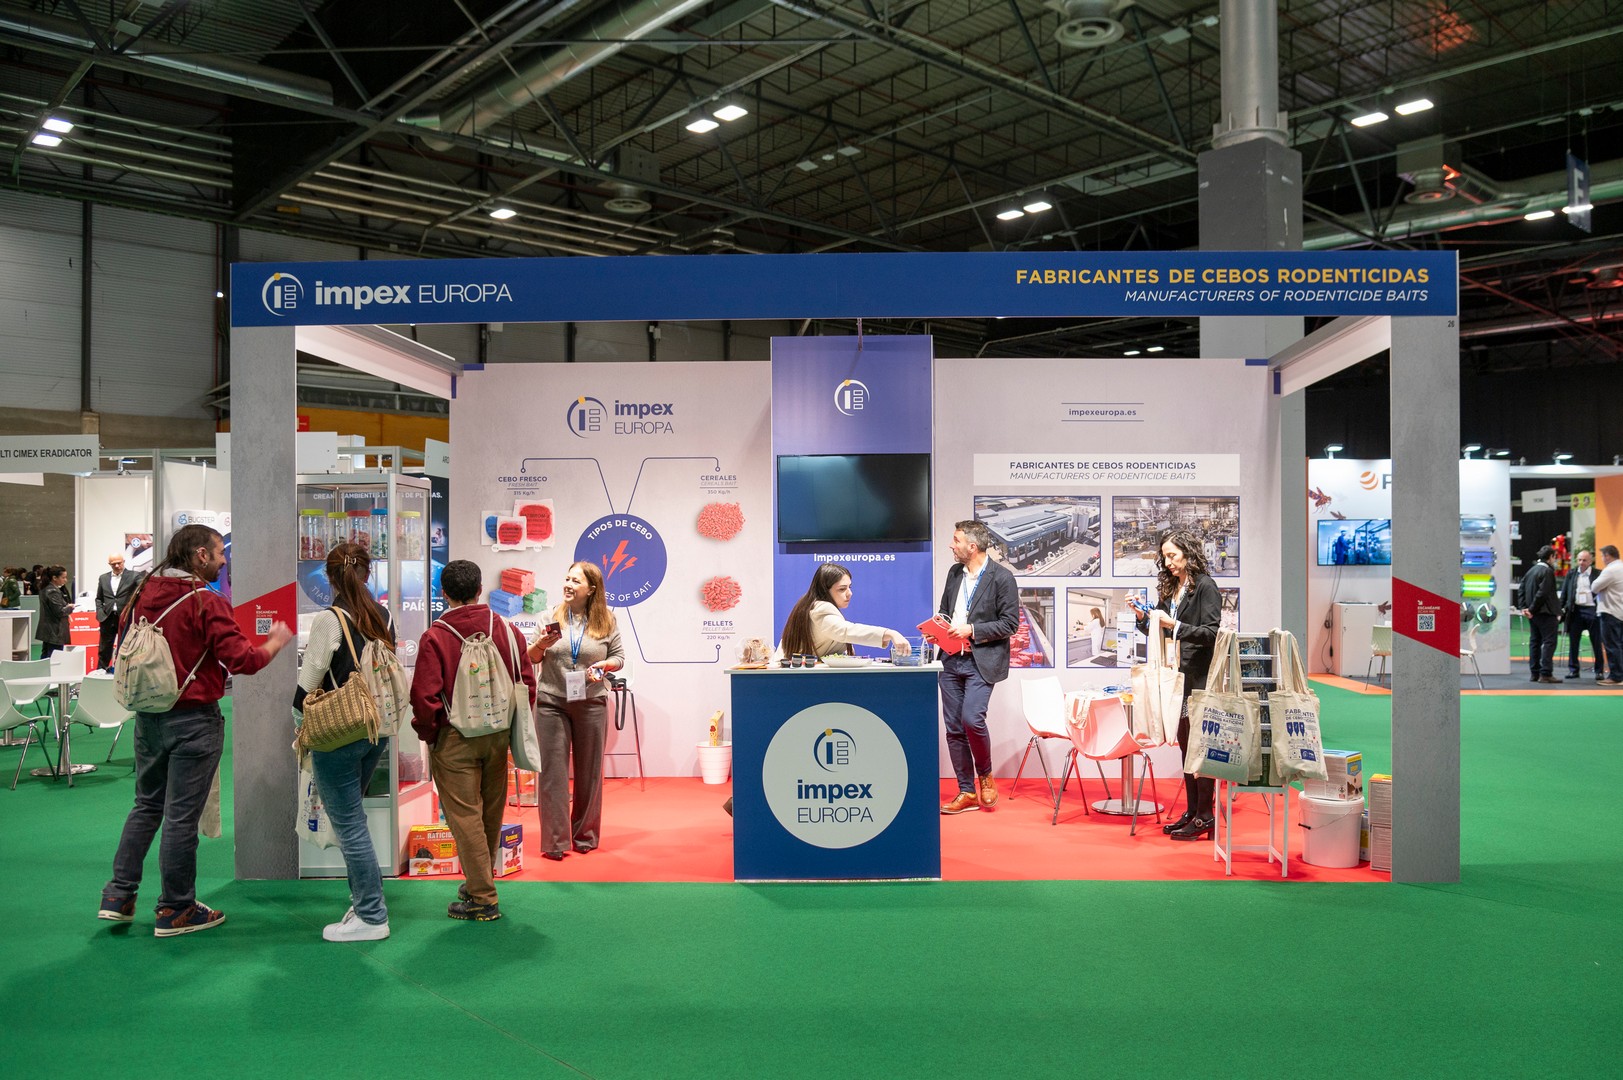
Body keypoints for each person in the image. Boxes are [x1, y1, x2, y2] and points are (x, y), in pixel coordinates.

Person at [99, 524, 293, 936]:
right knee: (181, 818)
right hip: (193, 720)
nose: (223, 562)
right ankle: (176, 909)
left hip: (148, 716)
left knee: (146, 806)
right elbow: (243, 661)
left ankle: (118, 896)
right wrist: (275, 642)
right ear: (201, 555)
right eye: (220, 553)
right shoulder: (206, 601)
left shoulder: (141, 591)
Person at [410, 559, 536, 921]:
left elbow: (424, 696)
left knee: (464, 816)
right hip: (497, 734)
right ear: (480, 590)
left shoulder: (436, 636)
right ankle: (479, 881)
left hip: (455, 737)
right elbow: (527, 684)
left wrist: (431, 734)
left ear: (443, 593)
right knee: (491, 810)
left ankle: (482, 897)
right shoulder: (508, 630)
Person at [293, 542, 398, 942]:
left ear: (329, 576)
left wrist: (300, 721)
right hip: (375, 729)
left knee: (350, 826)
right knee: (354, 820)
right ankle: (363, 903)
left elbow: (307, 684)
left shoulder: (330, 619)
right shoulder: (383, 615)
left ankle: (371, 915)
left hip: (338, 731)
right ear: (368, 573)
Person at [526, 561, 625, 860]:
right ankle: (555, 842)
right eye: (567, 579)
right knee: (552, 774)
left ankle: (585, 836)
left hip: (592, 701)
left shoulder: (607, 620)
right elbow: (531, 658)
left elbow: (619, 657)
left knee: (589, 773)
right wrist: (541, 644)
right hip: (551, 702)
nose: (568, 585)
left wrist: (606, 665)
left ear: (591, 589)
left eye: (576, 581)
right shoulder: (549, 616)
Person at [1130, 529, 1222, 841]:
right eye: (1165, 556)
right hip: (1176, 677)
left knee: (1199, 747)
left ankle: (1205, 815)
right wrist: (1143, 618)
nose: (1168, 562)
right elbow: (1161, 632)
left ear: (1188, 552)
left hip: (1198, 678)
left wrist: (1176, 625)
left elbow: (1212, 633)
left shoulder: (1205, 586)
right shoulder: (1172, 587)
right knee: (1185, 745)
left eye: (1173, 555)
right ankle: (1193, 811)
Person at [936, 520, 1019, 815]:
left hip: (981, 661)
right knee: (954, 728)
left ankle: (985, 775)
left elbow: (1010, 624)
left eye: (956, 540)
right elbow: (945, 611)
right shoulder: (954, 573)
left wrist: (972, 629)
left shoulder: (1002, 577)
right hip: (950, 659)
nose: (951, 545)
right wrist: (937, 627)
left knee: (972, 719)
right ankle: (967, 791)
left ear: (972, 546)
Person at [778, 562, 911, 659]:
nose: (849, 593)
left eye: (849, 587)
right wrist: (889, 633)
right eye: (842, 589)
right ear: (825, 590)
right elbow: (845, 631)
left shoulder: (807, 604)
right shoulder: (821, 608)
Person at [1518, 545, 1561, 683]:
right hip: (1545, 613)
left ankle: (1534, 673)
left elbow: (1521, 589)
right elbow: (1543, 593)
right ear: (1551, 557)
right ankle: (1546, 673)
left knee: (1535, 642)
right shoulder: (1547, 571)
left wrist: (1524, 608)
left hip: (1534, 614)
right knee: (1549, 642)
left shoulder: (1531, 571)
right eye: (1554, 557)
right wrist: (1531, 609)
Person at [1561, 549, 1603, 681]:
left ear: (1590, 561)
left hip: (1592, 610)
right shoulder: (1571, 573)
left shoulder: (1598, 574)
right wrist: (1561, 609)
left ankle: (1599, 671)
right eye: (1579, 560)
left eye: (1584, 560)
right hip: (1576, 611)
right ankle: (1573, 670)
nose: (1581, 562)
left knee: (1596, 643)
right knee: (1573, 642)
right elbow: (1565, 592)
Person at [95, 553, 140, 671]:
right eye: (113, 564)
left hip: (125, 617)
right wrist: (99, 612)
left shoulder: (134, 576)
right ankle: (101, 671)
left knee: (126, 645)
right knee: (104, 648)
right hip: (107, 616)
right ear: (109, 564)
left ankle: (124, 671)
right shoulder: (103, 578)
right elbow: (99, 598)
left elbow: (142, 588)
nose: (116, 566)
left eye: (119, 563)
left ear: (123, 562)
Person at [1594, 546, 1623, 687]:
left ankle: (1616, 676)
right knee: (1619, 645)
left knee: (1612, 645)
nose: (1602, 559)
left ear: (1607, 556)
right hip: (1620, 611)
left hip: (1610, 611)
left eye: (1602, 556)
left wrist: (1602, 588)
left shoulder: (1610, 570)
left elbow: (1594, 587)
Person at [35, 565, 71, 660]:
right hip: (55, 630)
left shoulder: (45, 588)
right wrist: (70, 608)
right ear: (54, 578)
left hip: (49, 630)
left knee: (46, 656)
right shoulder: (53, 591)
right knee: (54, 658)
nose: (65, 580)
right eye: (63, 577)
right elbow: (59, 612)